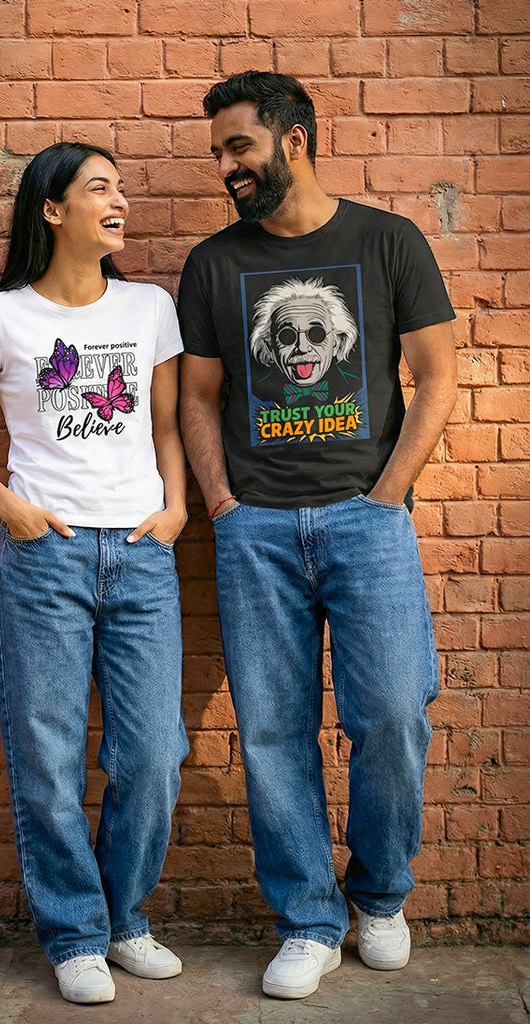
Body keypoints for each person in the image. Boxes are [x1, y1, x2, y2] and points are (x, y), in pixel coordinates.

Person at [177, 72, 457, 1000]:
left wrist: (386, 496)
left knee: (390, 715)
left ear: (293, 139)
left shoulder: (388, 242)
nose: (226, 167)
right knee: (271, 733)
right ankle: (307, 919)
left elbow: (437, 378)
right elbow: (200, 397)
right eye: (219, 151)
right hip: (254, 528)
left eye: (238, 147)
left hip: (367, 521)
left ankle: (380, 897)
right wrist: (222, 504)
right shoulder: (215, 263)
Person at [0, 142, 190, 1005]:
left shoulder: (150, 306)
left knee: (153, 754)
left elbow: (165, 428)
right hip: (44, 556)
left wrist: (177, 509)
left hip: (142, 552)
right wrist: (15, 512)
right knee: (47, 756)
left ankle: (126, 919)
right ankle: (76, 934)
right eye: (99, 188)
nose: (119, 200)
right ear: (53, 210)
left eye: (121, 186)